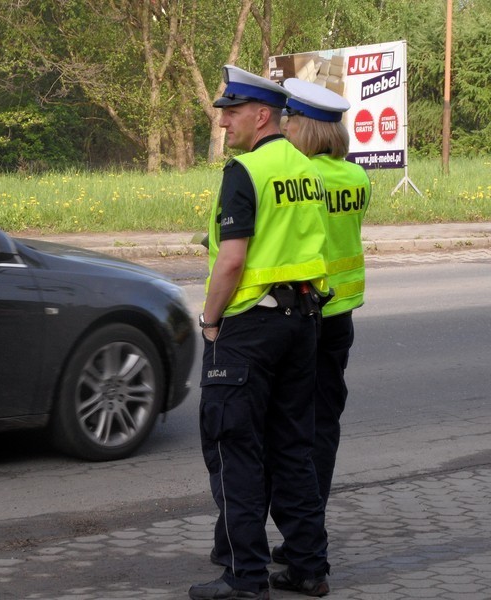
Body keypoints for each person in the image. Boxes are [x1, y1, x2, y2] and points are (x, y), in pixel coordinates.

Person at [189, 65, 331, 600]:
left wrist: (209, 321)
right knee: (293, 447)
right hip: (301, 322)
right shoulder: (306, 168)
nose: (224, 123)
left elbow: (231, 261)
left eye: (232, 112)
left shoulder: (244, 172)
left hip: (248, 327)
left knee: (234, 450)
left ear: (262, 114)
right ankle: (309, 567)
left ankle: (245, 578)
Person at [270, 78, 371, 564]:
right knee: (324, 425)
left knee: (290, 430)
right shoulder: (357, 178)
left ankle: (298, 536)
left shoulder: (305, 179)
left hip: (308, 313)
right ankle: (313, 522)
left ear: (305, 131)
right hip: (343, 316)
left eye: (291, 122)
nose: (285, 128)